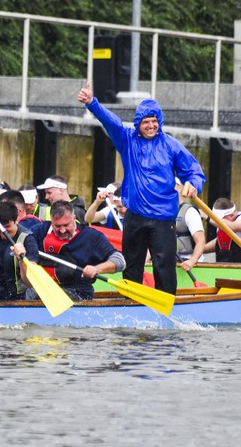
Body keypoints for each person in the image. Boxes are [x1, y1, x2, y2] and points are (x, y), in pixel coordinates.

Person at [78, 81, 205, 295]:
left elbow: (194, 170)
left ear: (160, 122)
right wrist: (92, 103)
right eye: (146, 122)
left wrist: (194, 184)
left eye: (155, 121)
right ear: (139, 123)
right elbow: (112, 122)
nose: (151, 126)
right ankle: (131, 300)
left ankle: (166, 301)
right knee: (131, 263)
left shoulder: (171, 145)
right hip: (134, 215)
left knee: (163, 266)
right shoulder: (127, 140)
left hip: (163, 218)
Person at [30, 200, 125, 300]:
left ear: (74, 218)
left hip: (78, 293)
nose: (62, 230)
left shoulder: (91, 236)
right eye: (57, 226)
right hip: (42, 289)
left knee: (38, 295)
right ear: (51, 221)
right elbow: (19, 237)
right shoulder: (39, 231)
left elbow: (119, 261)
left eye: (66, 225)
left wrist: (96, 269)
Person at [203, 197, 241, 263]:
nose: (216, 222)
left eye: (218, 220)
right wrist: (200, 249)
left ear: (231, 215)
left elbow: (233, 227)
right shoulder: (222, 224)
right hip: (224, 267)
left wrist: (207, 217)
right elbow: (220, 242)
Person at [175, 189, 206, 272]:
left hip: (189, 261)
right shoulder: (162, 212)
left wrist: (192, 260)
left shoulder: (190, 212)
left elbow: (201, 241)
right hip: (171, 261)